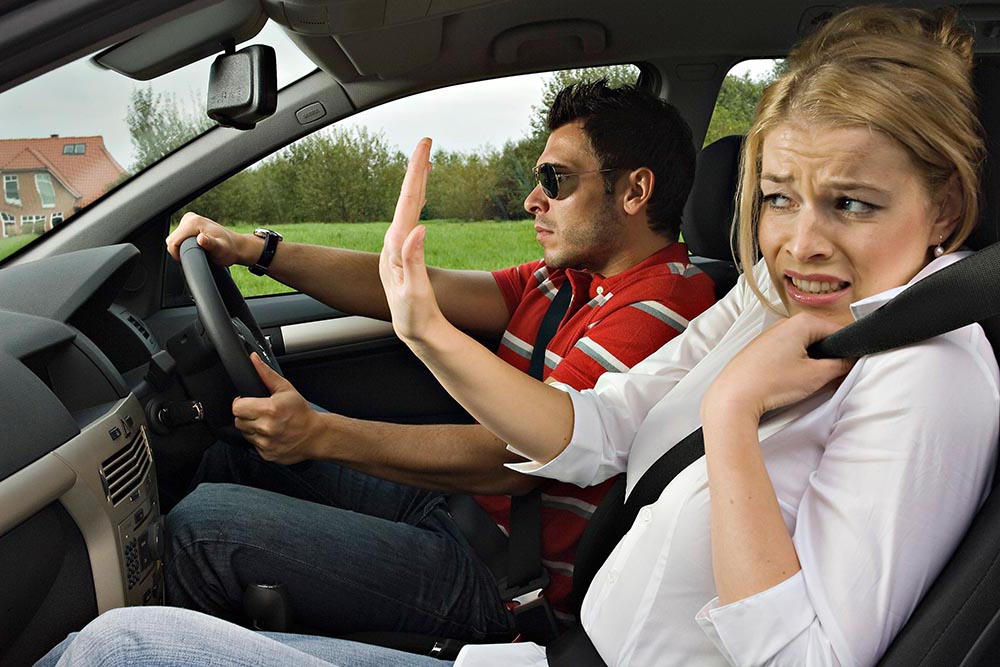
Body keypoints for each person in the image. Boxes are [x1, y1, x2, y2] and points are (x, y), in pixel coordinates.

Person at [34, 5, 999, 667]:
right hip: (559, 643)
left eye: (854, 203)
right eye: (778, 198)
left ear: (946, 203)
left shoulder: (922, 367)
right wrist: (288, 258)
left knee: (124, 638)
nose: (802, 240)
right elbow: (595, 427)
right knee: (222, 489)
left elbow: (539, 471)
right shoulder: (763, 298)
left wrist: (733, 411)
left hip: (524, 586)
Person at [160, 80, 715, 640]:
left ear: (635, 191)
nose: (533, 200)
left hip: (506, 577)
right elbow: (406, 288)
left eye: (556, 179)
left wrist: (320, 434)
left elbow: (515, 460)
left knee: (198, 533)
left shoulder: (662, 310)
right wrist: (257, 250)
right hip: (465, 511)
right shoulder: (565, 278)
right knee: (237, 453)